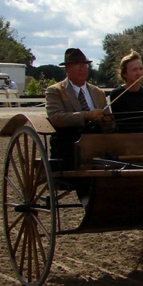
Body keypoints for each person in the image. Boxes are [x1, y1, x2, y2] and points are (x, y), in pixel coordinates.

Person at [46, 48, 115, 207]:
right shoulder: (55, 91)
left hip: (97, 140)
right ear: (67, 69)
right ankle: (86, 199)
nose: (82, 69)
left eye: (84, 65)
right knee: (80, 155)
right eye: (77, 65)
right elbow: (56, 117)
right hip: (69, 142)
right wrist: (87, 115)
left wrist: (107, 121)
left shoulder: (97, 92)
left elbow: (109, 119)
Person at [109, 50, 143, 133]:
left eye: (141, 69)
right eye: (134, 70)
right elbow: (122, 125)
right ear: (124, 73)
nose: (139, 73)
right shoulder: (117, 94)